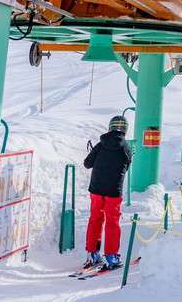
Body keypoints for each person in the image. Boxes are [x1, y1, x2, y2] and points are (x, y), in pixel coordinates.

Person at [80, 114, 132, 272]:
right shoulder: (125, 148)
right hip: (113, 191)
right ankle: (111, 257)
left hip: (96, 189)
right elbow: (127, 165)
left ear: (110, 127)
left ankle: (93, 254)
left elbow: (87, 164)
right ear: (125, 130)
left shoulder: (100, 144)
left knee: (95, 219)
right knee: (112, 222)